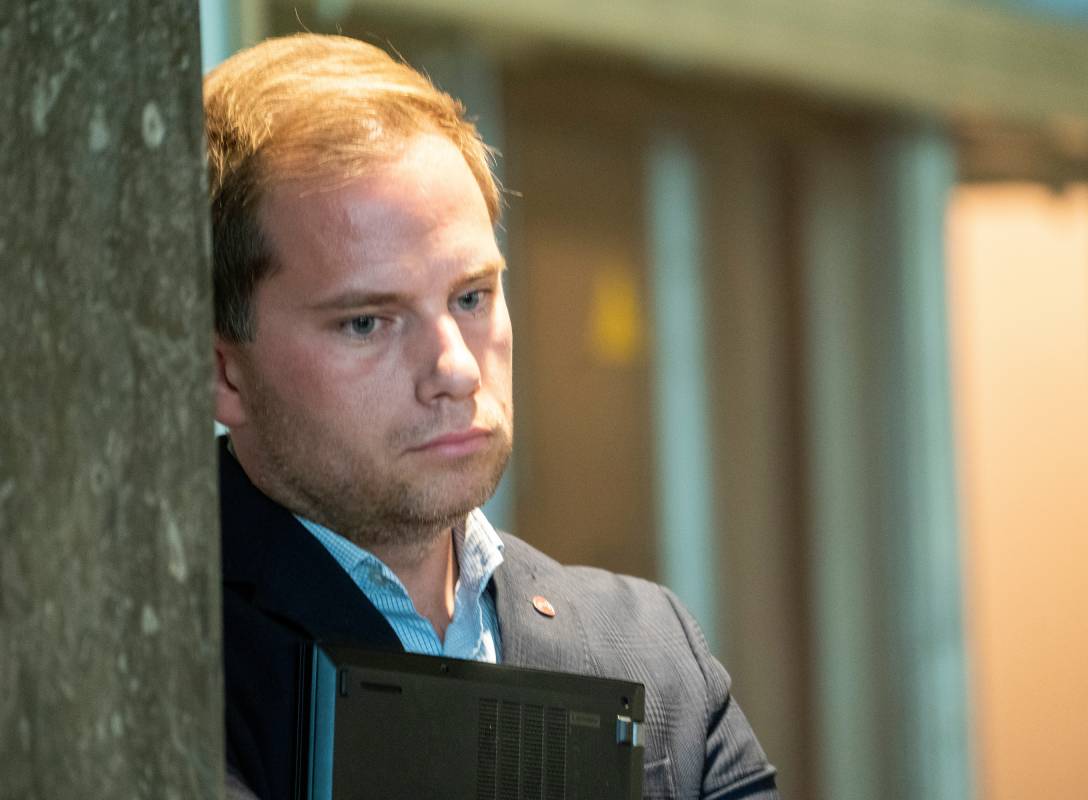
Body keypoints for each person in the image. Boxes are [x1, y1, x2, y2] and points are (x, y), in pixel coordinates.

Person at [206, 33, 777, 799]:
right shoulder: (141, 661)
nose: (457, 370)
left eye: (472, 297)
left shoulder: (653, 651)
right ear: (223, 371)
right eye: (367, 322)